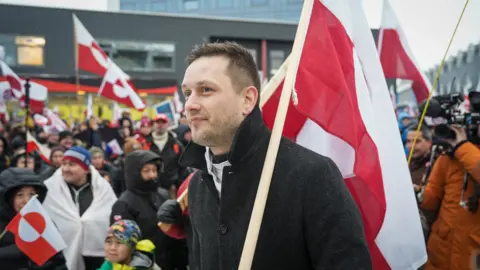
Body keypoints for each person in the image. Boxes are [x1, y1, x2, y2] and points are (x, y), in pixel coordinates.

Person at [178, 41, 371, 269]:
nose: (189, 105)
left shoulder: (311, 175)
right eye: (187, 93)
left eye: (206, 90)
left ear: (248, 100)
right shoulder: (198, 185)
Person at [416, 125, 480, 270]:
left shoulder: (462, 150)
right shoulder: (450, 155)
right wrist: (417, 194)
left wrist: (462, 147)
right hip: (440, 255)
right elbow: (431, 200)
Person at [43, 146, 117, 270]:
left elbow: (112, 219)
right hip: (60, 259)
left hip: (95, 259)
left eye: (72, 164)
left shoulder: (102, 189)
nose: (65, 169)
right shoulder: (50, 189)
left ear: (86, 169)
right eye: (64, 164)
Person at [110, 150, 175, 269]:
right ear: (134, 173)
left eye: (154, 170)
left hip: (168, 261)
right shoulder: (124, 204)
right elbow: (122, 244)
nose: (152, 175)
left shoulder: (163, 194)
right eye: (146, 171)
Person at [0, 167, 67, 269]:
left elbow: (58, 262)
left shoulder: (44, 223)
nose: (26, 200)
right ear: (7, 197)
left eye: (31, 194)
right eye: (20, 195)